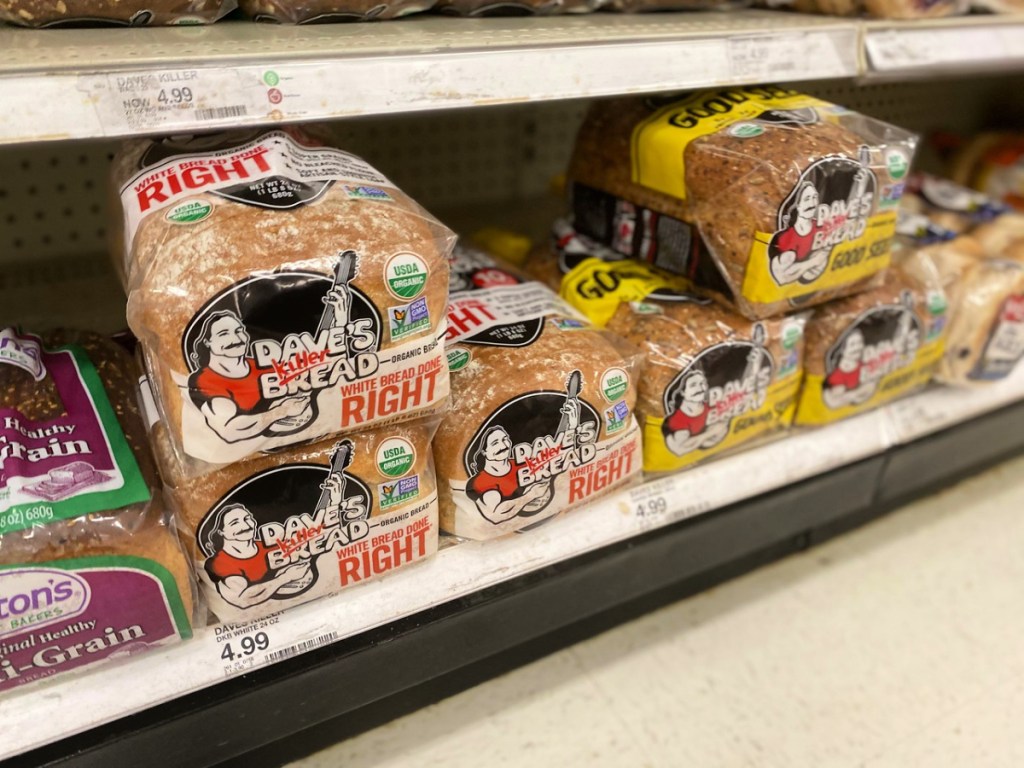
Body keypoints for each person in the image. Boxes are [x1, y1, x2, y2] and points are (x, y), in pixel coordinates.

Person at [204, 504, 311, 610]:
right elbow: (242, 600)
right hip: (250, 621)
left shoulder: (269, 545)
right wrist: (286, 577)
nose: (246, 526)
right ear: (221, 532)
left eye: (247, 518)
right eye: (235, 522)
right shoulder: (220, 563)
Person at [466, 426, 552, 524]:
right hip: (509, 536)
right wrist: (531, 495)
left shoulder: (519, 463)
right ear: (484, 452)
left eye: (505, 439)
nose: (503, 445)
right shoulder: (482, 481)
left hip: (548, 521)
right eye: (495, 443)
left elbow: (552, 457)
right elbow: (496, 516)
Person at [663, 369, 727, 457]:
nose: (700, 388)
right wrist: (710, 433)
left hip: (720, 454)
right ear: (682, 392)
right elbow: (679, 449)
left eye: (702, 383)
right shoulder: (678, 419)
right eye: (693, 385)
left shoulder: (709, 405)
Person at [822, 329, 876, 409]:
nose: (857, 347)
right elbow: (833, 402)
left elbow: (870, 385)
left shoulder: (862, 364)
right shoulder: (837, 376)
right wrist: (854, 395)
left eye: (860, 342)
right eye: (852, 344)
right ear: (842, 350)